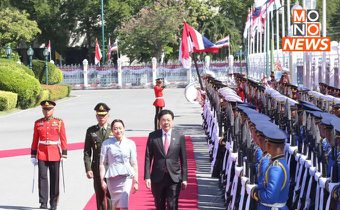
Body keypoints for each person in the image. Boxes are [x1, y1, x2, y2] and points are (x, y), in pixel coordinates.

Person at [144, 109, 188, 210]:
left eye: (168, 120)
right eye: (163, 120)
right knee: (159, 205)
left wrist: (184, 178)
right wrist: (147, 176)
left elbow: (183, 159)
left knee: (173, 205)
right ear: (159, 122)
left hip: (174, 177)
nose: (166, 122)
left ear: (172, 121)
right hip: (157, 177)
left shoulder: (179, 136)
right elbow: (148, 157)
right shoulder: (153, 136)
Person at [30, 100, 67, 210]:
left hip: (55, 153)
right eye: (44, 109)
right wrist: (33, 154)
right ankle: (43, 203)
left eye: (49, 109)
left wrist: (64, 153)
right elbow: (35, 139)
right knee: (42, 178)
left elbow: (63, 138)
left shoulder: (59, 122)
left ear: (53, 110)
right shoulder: (38, 123)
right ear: (42, 110)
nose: (46, 111)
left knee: (54, 179)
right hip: (41, 153)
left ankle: (54, 203)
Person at [99, 119, 138, 210]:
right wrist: (102, 180)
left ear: (124, 129)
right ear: (112, 131)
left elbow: (134, 163)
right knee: (115, 205)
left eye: (120, 128)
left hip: (126, 177)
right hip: (112, 178)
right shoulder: (106, 144)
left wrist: (136, 181)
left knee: (124, 205)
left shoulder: (130, 143)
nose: (118, 131)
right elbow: (102, 164)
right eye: (115, 129)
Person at [249, 125, 290, 210]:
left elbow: (270, 197)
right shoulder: (279, 162)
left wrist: (256, 193)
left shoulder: (276, 168)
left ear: (268, 145)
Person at [83, 102, 112, 210]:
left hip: (111, 166)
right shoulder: (91, 131)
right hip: (96, 167)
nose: (101, 118)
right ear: (96, 116)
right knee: (99, 195)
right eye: (99, 115)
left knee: (110, 194)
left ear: (108, 116)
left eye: (103, 115)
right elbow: (87, 151)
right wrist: (88, 168)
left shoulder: (113, 129)